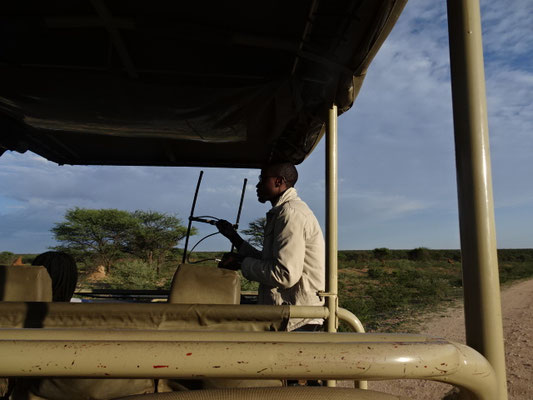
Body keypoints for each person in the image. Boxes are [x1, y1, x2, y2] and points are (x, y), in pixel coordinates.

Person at [216, 162, 325, 331]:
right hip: (291, 313)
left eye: (262, 179)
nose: (258, 185)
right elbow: (270, 262)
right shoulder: (283, 212)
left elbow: (284, 274)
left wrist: (240, 263)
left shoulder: (290, 214)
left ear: (278, 182)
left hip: (297, 319)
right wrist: (234, 238)